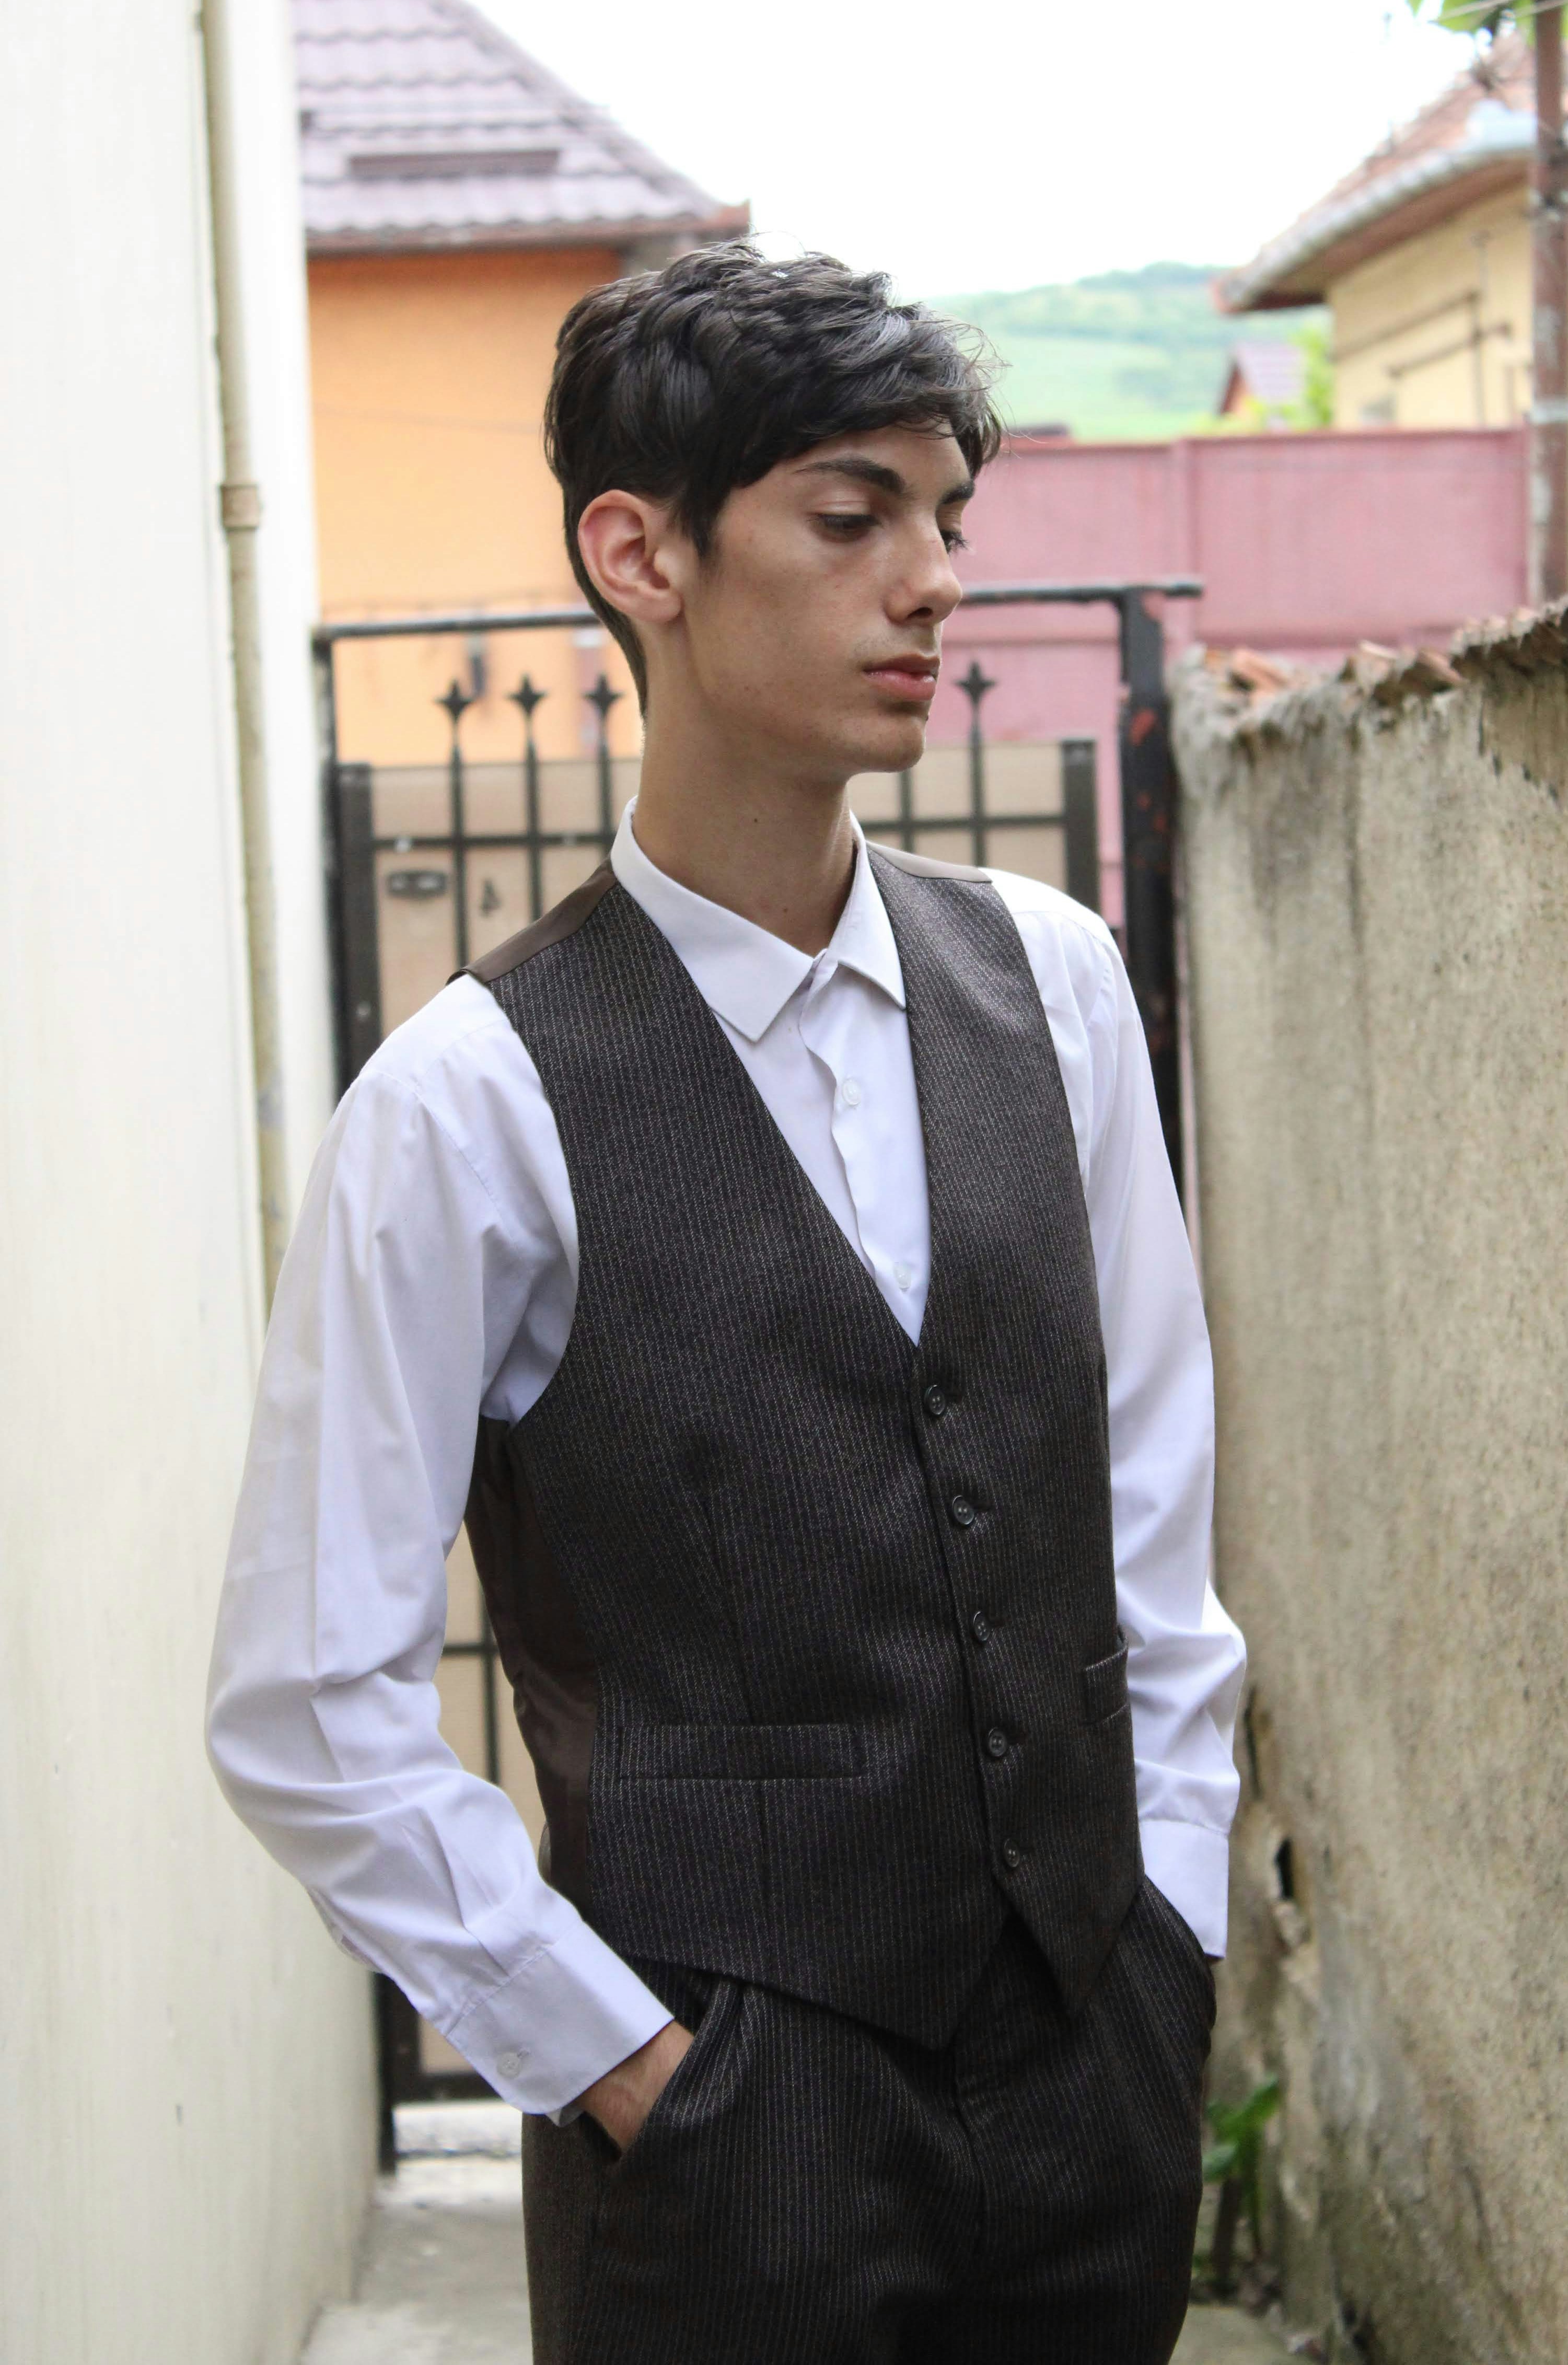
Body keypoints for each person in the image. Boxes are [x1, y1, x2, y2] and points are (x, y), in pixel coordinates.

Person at [208, 243, 1246, 2362]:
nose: (931, 581)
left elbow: (1148, 1532)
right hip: (720, 2147)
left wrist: (1170, 1938)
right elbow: (310, 1704)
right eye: (851, 517)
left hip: (1090, 2093)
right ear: (640, 552)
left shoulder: (1052, 991)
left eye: (948, 518)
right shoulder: (470, 1101)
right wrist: (628, 2071)